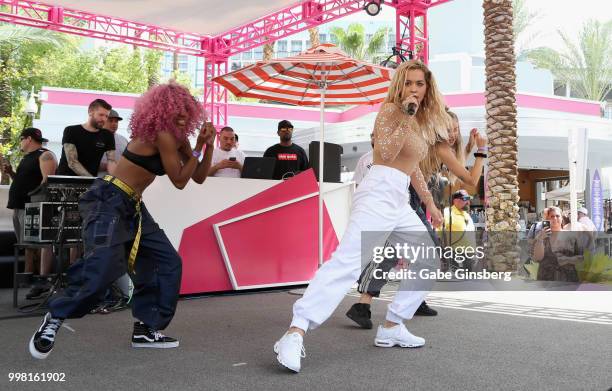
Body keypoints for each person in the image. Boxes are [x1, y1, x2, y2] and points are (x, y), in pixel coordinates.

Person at [273, 60, 450, 373]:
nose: (413, 89)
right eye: (408, 83)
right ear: (400, 85)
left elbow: (413, 169)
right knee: (348, 261)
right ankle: (295, 330)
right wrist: (407, 114)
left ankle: (393, 325)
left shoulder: (421, 123)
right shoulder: (392, 111)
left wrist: (429, 202)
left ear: (428, 87)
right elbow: (387, 151)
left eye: (419, 84)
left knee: (429, 257)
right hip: (378, 190)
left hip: (399, 199)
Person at [29, 82, 216, 359]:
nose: (182, 115)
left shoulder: (179, 139)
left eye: (186, 110)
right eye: (176, 109)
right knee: (103, 267)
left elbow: (197, 176)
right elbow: (178, 180)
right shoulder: (162, 134)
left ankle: (146, 328)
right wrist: (200, 145)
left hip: (133, 205)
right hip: (109, 200)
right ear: (163, 110)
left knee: (166, 261)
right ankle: (55, 316)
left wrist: (207, 145)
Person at [347, 110, 487, 328]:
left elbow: (455, 166)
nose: (452, 134)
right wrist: (482, 151)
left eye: (455, 130)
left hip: (414, 196)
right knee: (399, 250)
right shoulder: (432, 144)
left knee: (415, 249)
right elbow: (470, 179)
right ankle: (368, 304)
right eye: (448, 129)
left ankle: (403, 299)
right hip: (406, 194)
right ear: (437, 127)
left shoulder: (436, 146)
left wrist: (469, 147)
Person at [3, 128, 57, 299]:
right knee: (26, 245)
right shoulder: (28, 158)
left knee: (38, 244)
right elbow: (23, 179)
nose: (20, 143)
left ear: (27, 139)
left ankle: (41, 281)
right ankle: (28, 278)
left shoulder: (45, 155)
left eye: (21, 139)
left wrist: (34, 202)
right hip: (19, 206)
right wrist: (11, 172)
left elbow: (47, 182)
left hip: (32, 207)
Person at [56, 99, 116, 177]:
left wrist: (116, 181)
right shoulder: (71, 130)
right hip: (65, 180)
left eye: (106, 116)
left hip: (89, 182)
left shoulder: (108, 135)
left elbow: (111, 161)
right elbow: (72, 162)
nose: (104, 119)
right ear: (90, 112)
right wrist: (91, 179)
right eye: (101, 115)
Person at [532, 206, 591, 282]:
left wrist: (567, 260)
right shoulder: (541, 236)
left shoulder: (571, 236)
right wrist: (540, 239)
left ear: (562, 218)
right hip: (545, 279)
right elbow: (537, 258)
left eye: (557, 216)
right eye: (552, 216)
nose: (555, 218)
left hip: (568, 279)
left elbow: (582, 258)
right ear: (547, 220)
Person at [99, 109, 129, 177]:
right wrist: (108, 166)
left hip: (118, 183)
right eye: (110, 121)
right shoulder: (92, 138)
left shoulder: (123, 140)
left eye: (116, 121)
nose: (114, 124)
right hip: (97, 182)